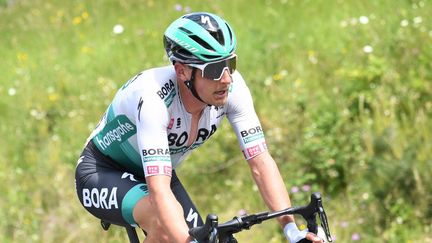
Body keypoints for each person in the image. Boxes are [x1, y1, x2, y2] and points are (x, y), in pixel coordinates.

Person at [75, 12, 323, 243]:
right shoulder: (154, 99)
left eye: (230, 64)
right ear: (182, 71)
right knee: (162, 225)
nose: (226, 78)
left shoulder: (233, 89)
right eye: (214, 70)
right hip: (102, 171)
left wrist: (291, 231)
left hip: (159, 172)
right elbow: (158, 191)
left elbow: (260, 162)